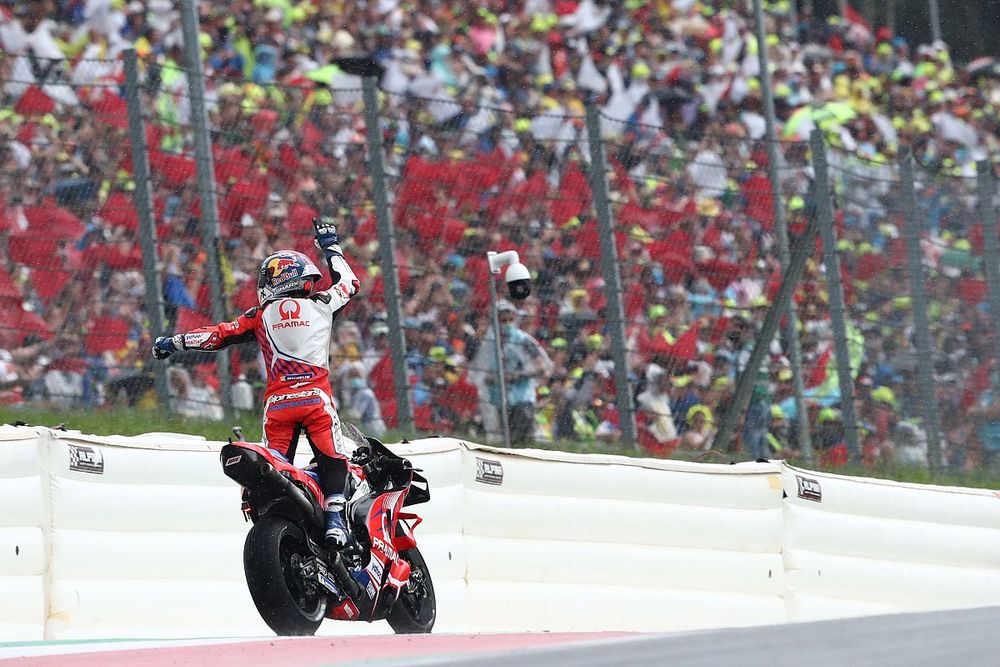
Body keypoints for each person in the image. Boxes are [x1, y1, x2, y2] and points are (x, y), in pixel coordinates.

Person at [151, 218, 361, 551]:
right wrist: (330, 246)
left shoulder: (260, 315)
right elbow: (350, 282)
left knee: (273, 470)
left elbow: (217, 336)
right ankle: (335, 521)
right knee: (333, 459)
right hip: (316, 400)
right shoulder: (322, 305)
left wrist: (175, 342)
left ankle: (271, 520)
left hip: (278, 407)